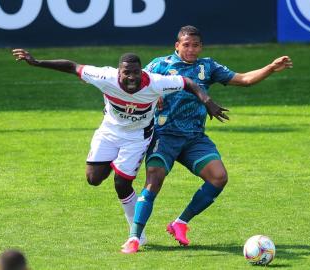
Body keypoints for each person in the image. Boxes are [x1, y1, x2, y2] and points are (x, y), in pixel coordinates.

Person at [12, 49, 228, 246]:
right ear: (119, 72)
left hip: (137, 138)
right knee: (94, 179)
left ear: (141, 72)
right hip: (109, 132)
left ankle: (136, 234)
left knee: (122, 184)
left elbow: (188, 82)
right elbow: (72, 66)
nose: (132, 77)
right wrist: (37, 62)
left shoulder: (155, 82)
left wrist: (207, 101)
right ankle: (115, 166)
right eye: (127, 73)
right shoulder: (104, 77)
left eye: (136, 73)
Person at [121, 25, 293, 253]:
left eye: (195, 45)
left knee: (219, 177)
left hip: (194, 138)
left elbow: (244, 79)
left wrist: (270, 68)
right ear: (177, 46)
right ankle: (134, 238)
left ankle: (180, 223)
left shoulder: (207, 66)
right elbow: (133, 86)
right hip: (165, 135)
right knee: (154, 181)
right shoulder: (159, 65)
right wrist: (153, 96)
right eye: (186, 45)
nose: (191, 49)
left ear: (201, 47)